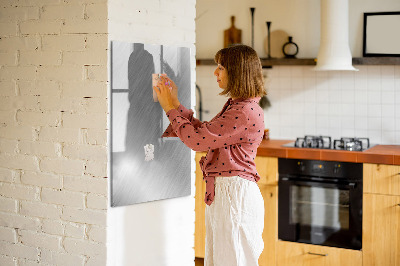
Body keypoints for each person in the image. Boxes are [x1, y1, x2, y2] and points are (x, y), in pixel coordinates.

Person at [153, 44, 266, 266]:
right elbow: (205, 133)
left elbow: (197, 141)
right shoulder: (239, 106)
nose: (215, 72)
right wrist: (175, 104)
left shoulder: (243, 111)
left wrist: (169, 108)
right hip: (228, 193)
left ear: (237, 71)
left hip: (234, 195)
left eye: (221, 67)